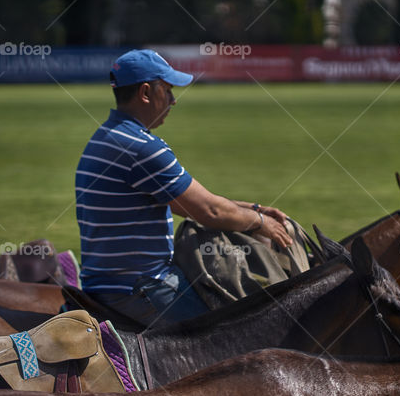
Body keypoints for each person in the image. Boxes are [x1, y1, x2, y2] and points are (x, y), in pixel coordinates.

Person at [75, 49, 293, 327]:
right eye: (167, 90)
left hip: (107, 284)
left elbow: (187, 203)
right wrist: (260, 223)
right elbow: (209, 211)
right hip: (140, 288)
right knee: (243, 327)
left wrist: (252, 209)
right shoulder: (142, 147)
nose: (173, 100)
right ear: (145, 92)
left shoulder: (107, 136)